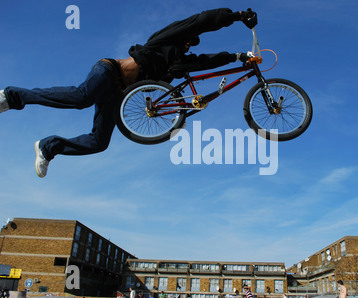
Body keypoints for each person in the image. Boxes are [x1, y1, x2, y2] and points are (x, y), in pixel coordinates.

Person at [0, 8, 257, 178]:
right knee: (82, 98)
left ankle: (48, 147)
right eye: (189, 41)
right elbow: (201, 21)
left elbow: (205, 62)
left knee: (99, 142)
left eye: (191, 45)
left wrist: (239, 57)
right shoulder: (165, 40)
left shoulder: (175, 65)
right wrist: (235, 16)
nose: (189, 45)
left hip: (117, 94)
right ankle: (11, 96)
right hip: (109, 72)